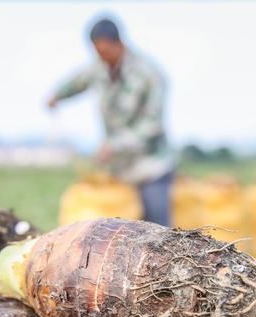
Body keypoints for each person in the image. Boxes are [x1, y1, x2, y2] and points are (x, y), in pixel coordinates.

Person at [48, 17, 175, 226]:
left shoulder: (149, 74)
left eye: (106, 53)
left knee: (158, 231)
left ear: (120, 44)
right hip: (119, 169)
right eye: (98, 54)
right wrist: (58, 96)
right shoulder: (99, 67)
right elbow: (78, 81)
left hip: (150, 167)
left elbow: (153, 125)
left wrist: (114, 145)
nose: (103, 59)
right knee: (119, 232)